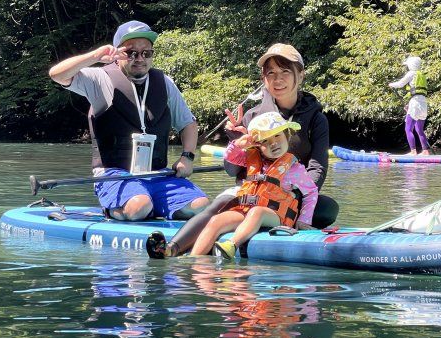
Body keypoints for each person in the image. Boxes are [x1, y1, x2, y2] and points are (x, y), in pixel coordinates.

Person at [145, 43, 338, 258]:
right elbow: (231, 170)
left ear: (300, 75)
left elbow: (317, 166)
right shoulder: (252, 116)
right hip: (251, 194)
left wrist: (294, 196)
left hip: (293, 191)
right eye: (270, 73)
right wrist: (237, 139)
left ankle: (274, 220)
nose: (278, 79)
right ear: (263, 79)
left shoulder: (316, 119)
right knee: (218, 205)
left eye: (285, 72)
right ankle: (172, 248)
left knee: (328, 208)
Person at [49, 20, 210, 221]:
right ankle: (121, 208)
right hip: (114, 173)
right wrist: (95, 56)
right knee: (139, 206)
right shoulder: (100, 78)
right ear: (118, 54)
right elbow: (57, 75)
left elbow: (188, 124)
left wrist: (187, 157)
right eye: (131, 52)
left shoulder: (165, 82)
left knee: (200, 206)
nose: (139, 58)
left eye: (146, 53)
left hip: (157, 173)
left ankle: (154, 206)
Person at [188, 112, 319, 259]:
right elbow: (231, 157)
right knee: (216, 220)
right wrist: (238, 145)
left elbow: (311, 192)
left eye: (277, 136)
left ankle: (231, 245)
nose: (273, 143)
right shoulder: (251, 159)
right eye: (265, 141)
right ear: (257, 146)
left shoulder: (294, 169)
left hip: (276, 216)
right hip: (246, 211)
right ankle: (194, 258)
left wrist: (304, 220)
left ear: (287, 136)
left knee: (257, 212)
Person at [389, 55, 431, 155]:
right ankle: (425, 151)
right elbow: (418, 93)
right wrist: (409, 104)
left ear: (411, 65)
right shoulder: (422, 75)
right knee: (419, 129)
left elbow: (400, 84)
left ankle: (413, 151)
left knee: (408, 128)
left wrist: (391, 84)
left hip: (415, 103)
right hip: (423, 103)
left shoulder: (412, 73)